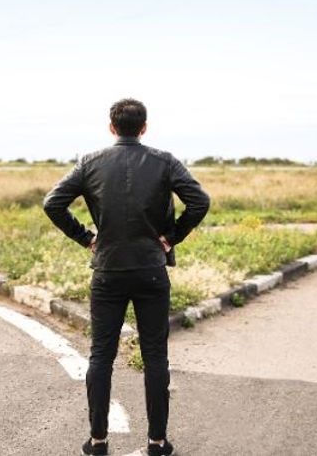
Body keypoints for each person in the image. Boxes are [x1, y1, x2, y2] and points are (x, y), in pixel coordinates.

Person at [43, 99, 210, 456]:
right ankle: (157, 443)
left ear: (111, 127)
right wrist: (172, 237)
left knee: (101, 356)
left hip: (108, 271)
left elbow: (52, 203)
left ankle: (99, 441)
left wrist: (87, 238)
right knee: (155, 357)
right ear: (144, 128)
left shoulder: (90, 162)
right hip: (151, 269)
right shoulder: (164, 160)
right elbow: (200, 201)